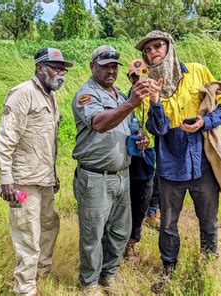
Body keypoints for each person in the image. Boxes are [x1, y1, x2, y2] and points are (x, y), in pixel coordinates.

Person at [135, 31, 221, 292]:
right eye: (148, 50)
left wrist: (204, 121)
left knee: (209, 222)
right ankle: (168, 271)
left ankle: (208, 267)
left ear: (170, 47)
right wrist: (154, 100)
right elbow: (156, 129)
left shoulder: (198, 72)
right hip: (169, 168)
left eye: (158, 46)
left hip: (203, 164)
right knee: (167, 225)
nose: (153, 52)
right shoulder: (148, 85)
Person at [71, 46, 160, 294]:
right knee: (93, 236)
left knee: (120, 232)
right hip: (95, 177)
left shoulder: (119, 95)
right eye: (105, 66)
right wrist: (132, 102)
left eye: (114, 66)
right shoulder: (86, 95)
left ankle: (108, 275)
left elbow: (130, 126)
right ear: (92, 67)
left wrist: (140, 136)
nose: (111, 70)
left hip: (122, 175)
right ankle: (89, 283)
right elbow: (99, 123)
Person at [0, 48, 72, 295]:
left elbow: (47, 142)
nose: (61, 73)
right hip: (22, 182)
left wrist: (54, 175)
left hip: (44, 179)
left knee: (49, 224)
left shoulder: (50, 96)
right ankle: (25, 288)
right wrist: (6, 180)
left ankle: (42, 272)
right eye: (55, 67)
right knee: (28, 231)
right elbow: (5, 141)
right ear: (39, 67)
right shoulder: (23, 94)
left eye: (63, 69)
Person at [124, 59, 157, 261]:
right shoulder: (126, 98)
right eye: (135, 76)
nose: (140, 80)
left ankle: (132, 243)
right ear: (130, 79)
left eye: (144, 75)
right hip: (129, 157)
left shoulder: (158, 98)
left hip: (149, 158)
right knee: (125, 202)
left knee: (142, 201)